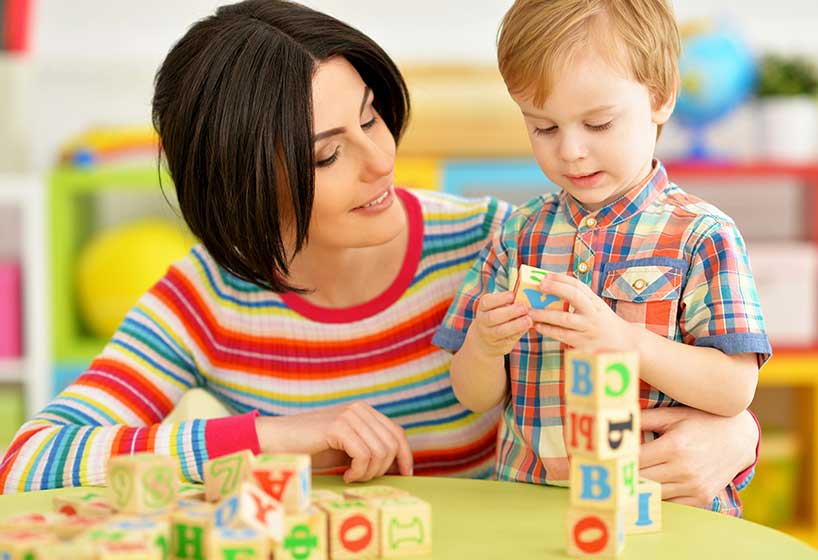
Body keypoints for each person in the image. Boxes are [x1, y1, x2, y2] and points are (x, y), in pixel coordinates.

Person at [0, 0, 759, 507]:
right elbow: (27, 463)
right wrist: (273, 436)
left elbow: (688, 377)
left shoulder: (496, 241)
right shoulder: (206, 298)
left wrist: (737, 437)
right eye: (327, 155)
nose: (380, 162)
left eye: (373, 118)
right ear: (243, 183)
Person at [434, 0, 770, 517]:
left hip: (662, 512)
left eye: (597, 124)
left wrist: (625, 341)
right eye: (543, 128)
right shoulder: (516, 233)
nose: (569, 151)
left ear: (660, 99)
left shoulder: (702, 234)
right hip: (527, 507)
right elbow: (474, 396)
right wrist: (482, 345)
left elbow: (733, 389)